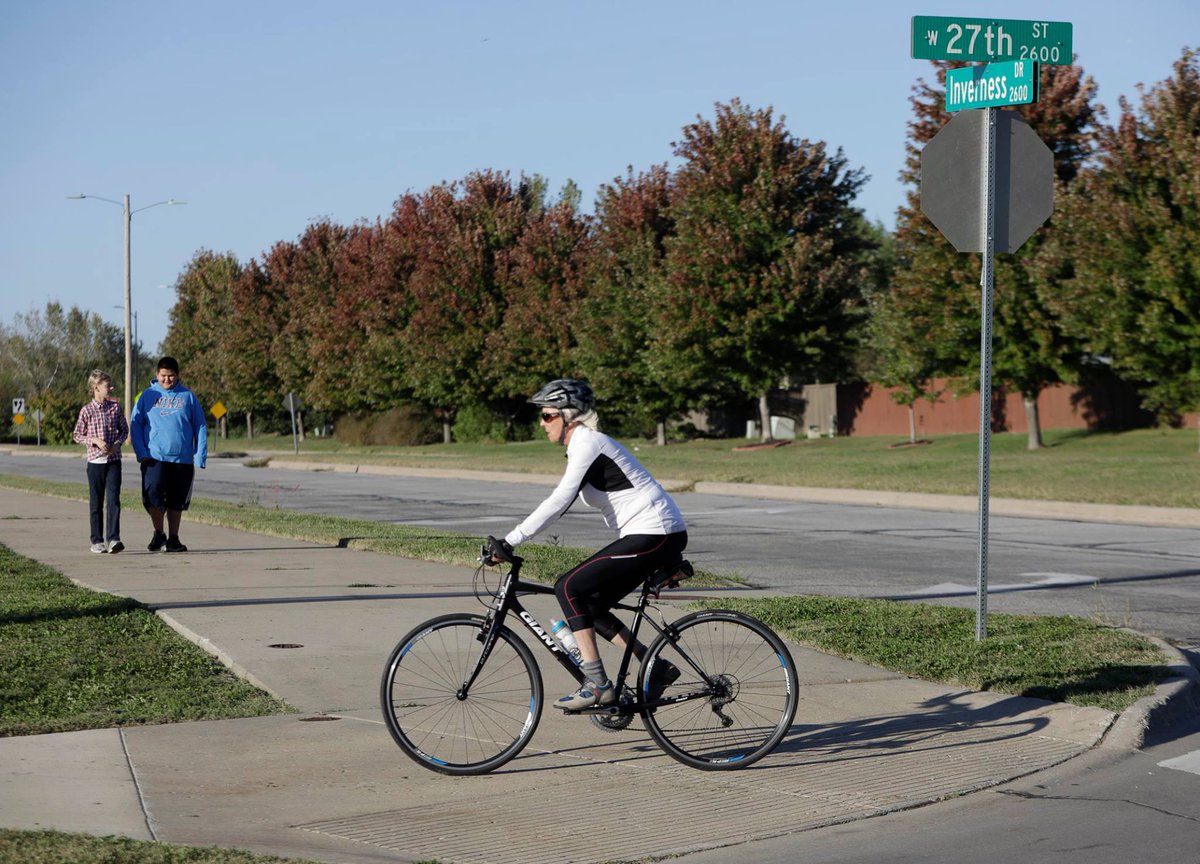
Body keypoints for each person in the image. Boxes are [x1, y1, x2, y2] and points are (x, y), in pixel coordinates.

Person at [489, 378, 687, 710]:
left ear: (569, 416)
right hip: (649, 533)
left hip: (656, 532)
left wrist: (511, 540)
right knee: (589, 604)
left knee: (567, 587)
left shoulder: (588, 442)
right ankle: (655, 666)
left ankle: (598, 685)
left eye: (548, 416)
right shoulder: (582, 446)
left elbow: (558, 501)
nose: (542, 423)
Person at [129, 356, 207, 553]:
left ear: (177, 375)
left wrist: (200, 454)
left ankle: (173, 539)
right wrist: (141, 452)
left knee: (176, 501)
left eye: (171, 376)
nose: (167, 380)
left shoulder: (188, 396)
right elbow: (135, 425)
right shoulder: (147, 396)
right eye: (163, 376)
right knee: (152, 496)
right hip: (153, 457)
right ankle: (159, 533)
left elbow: (200, 425)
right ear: (157, 375)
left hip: (182, 458)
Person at [72, 369, 129, 554]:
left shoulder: (115, 408)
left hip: (113, 461)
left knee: (114, 500)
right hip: (95, 463)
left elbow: (124, 430)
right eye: (106, 386)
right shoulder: (86, 411)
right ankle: (97, 541)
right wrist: (94, 440)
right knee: (96, 502)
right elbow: (77, 435)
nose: (110, 388)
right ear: (95, 387)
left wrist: (118, 444)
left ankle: (113, 539)